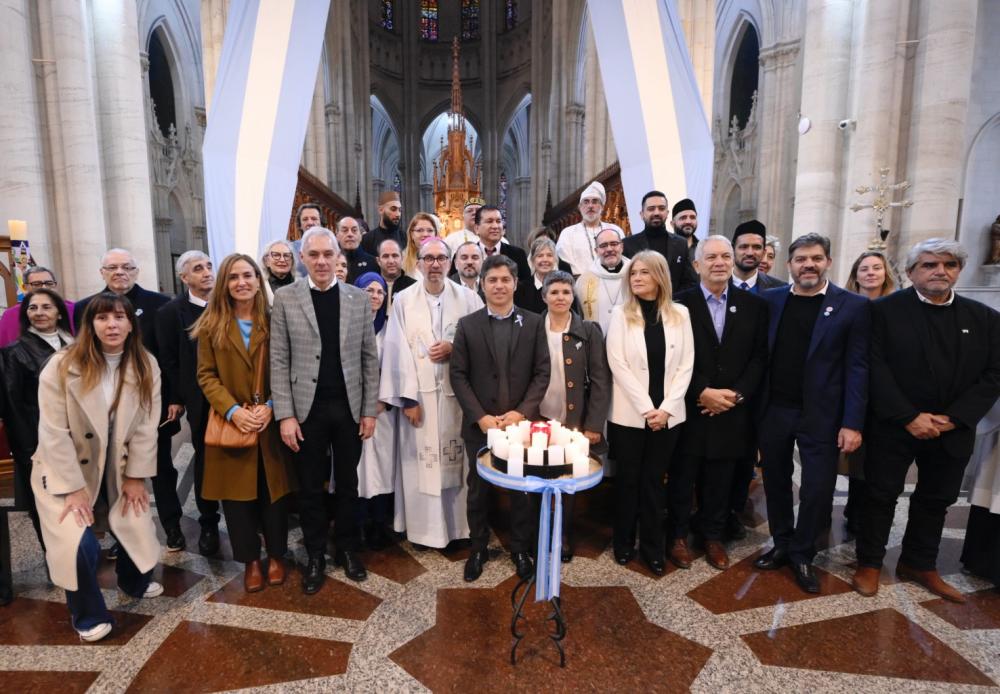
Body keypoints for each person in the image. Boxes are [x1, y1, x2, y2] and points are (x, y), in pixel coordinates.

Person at [852, 239, 1000, 602]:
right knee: (880, 494)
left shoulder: (984, 318)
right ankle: (869, 562)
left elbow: (994, 373)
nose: (940, 271)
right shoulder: (881, 311)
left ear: (959, 270)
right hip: (894, 424)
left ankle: (919, 563)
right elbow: (872, 366)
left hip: (952, 428)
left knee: (937, 498)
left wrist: (956, 418)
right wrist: (908, 416)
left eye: (949, 265)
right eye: (929, 265)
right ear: (910, 271)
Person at [31, 293, 163, 642]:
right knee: (79, 546)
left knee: (136, 524)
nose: (112, 325)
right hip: (63, 469)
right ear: (90, 325)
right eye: (102, 318)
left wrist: (135, 477)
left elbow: (147, 426)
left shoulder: (145, 364)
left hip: (119, 467)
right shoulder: (61, 365)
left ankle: (133, 581)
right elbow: (53, 432)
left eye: (119, 317)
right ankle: (87, 614)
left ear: (131, 324)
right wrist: (73, 488)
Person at [753, 233, 869, 594]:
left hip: (822, 414)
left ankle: (803, 552)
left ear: (828, 262)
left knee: (818, 487)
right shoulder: (770, 300)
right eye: (801, 259)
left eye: (816, 258)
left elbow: (858, 368)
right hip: (775, 409)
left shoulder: (852, 306)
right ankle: (782, 543)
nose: (809, 265)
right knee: (775, 481)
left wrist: (852, 422)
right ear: (789, 264)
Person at [271, 227, 379, 591]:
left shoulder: (357, 298)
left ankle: (346, 548)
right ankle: (315, 555)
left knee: (348, 483)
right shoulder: (285, 298)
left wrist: (369, 410)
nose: (321, 261)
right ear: (302, 258)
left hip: (349, 407)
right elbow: (279, 359)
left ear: (338, 258)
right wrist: (285, 415)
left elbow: (369, 357)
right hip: (307, 409)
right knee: (310, 487)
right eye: (313, 254)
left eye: (327, 254)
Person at [193, 255, 294, 591]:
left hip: (269, 421)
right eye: (234, 277)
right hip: (233, 422)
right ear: (225, 283)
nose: (241, 283)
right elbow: (206, 376)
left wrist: (272, 406)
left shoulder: (275, 320)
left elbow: (289, 366)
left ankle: (277, 555)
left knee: (273, 494)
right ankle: (251, 560)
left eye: (248, 275)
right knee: (237, 500)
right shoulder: (211, 324)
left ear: (258, 280)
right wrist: (233, 411)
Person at [74, 249, 185, 552]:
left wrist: (175, 398)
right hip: (105, 404)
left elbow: (170, 355)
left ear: (136, 271)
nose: (119, 272)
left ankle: (172, 526)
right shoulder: (85, 307)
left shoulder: (160, 304)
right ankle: (121, 536)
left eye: (126, 267)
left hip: (152, 402)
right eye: (112, 267)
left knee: (161, 468)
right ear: (102, 272)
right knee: (112, 472)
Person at [451, 254, 550, 582]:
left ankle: (520, 548)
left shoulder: (534, 323)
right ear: (482, 285)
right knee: (478, 489)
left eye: (505, 279)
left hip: (519, 424)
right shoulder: (468, 325)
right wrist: (479, 417)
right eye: (492, 280)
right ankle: (478, 547)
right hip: (481, 426)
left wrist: (521, 413)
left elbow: (542, 373)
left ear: (516, 283)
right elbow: (458, 375)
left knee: (521, 489)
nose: (499, 285)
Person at [381, 238, 483, 549]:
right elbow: (396, 351)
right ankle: (424, 533)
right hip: (420, 400)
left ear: (450, 263)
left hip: (458, 400)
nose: (435, 264)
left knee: (458, 464)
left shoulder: (469, 299)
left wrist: (454, 347)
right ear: (419, 263)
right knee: (420, 464)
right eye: (429, 258)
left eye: (441, 258)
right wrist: (408, 399)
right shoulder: (403, 300)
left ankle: (459, 529)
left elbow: (482, 344)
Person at [673, 237, 768, 570]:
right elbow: (672, 356)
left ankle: (712, 536)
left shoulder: (755, 306)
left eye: (726, 256)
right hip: (691, 406)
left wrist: (736, 395)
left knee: (721, 477)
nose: (719, 262)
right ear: (697, 265)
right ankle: (677, 535)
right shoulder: (678, 304)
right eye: (711, 257)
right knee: (683, 475)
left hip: (731, 408)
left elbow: (759, 358)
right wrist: (701, 391)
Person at [606, 251, 694, 575]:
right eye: (633, 273)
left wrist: (667, 409)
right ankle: (623, 543)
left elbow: (686, 365)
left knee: (655, 482)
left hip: (668, 416)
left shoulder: (680, 314)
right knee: (628, 481)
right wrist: (647, 409)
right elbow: (617, 364)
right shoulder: (620, 314)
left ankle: (653, 548)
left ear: (660, 276)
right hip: (629, 414)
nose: (637, 278)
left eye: (644, 272)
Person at [539, 271, 611, 562]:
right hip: (540, 414)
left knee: (567, 478)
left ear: (573, 296)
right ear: (544, 296)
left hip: (574, 418)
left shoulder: (588, 330)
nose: (560, 297)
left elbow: (600, 379)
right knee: (539, 475)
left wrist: (593, 424)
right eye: (554, 292)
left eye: (566, 292)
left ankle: (562, 533)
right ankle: (539, 530)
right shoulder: (533, 327)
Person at [156, 251, 220, 555]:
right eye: (198, 269)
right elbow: (169, 359)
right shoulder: (170, 312)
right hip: (199, 398)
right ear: (184, 278)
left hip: (234, 394)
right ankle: (209, 522)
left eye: (208, 266)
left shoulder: (225, 303)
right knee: (205, 459)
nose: (206, 272)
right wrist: (179, 397)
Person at [1, 289, 74, 552]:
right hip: (39, 439)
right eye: (33, 308)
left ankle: (80, 551)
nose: (39, 313)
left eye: (46, 307)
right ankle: (55, 555)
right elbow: (13, 406)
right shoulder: (14, 352)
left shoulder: (76, 345)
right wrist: (27, 449)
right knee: (47, 503)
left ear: (59, 313)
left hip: (77, 436)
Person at [839, 250, 898, 532]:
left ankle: (867, 512)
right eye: (864, 269)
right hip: (851, 391)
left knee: (877, 457)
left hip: (885, 394)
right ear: (856, 275)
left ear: (886, 274)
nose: (871, 273)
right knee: (853, 456)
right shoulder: (846, 306)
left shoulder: (896, 308)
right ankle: (853, 509)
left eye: (876, 268)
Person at [353, 271, 396, 549]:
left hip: (382, 412)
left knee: (382, 468)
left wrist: (382, 402)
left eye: (380, 291)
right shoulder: (347, 325)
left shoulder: (390, 329)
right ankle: (358, 523)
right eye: (369, 290)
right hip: (354, 411)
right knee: (358, 471)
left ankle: (380, 524)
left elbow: (396, 367)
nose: (375, 296)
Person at [622, 191, 697, 293]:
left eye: (661, 208)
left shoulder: (681, 243)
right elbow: (624, 282)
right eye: (651, 209)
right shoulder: (628, 244)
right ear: (642, 214)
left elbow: (690, 281)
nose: (656, 213)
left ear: (667, 213)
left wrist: (672, 300)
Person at [555, 181, 625, 276]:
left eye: (595, 201)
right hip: (579, 282)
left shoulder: (615, 230)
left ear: (602, 207)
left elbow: (623, 257)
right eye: (586, 202)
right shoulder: (568, 233)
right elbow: (564, 262)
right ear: (580, 207)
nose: (590, 206)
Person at [0, 266, 76, 347]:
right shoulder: (11, 315)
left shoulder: (72, 309)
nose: (44, 288)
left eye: (49, 283)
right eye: (36, 284)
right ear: (25, 288)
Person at [575, 228, 631, 335]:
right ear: (596, 251)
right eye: (603, 245)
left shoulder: (635, 274)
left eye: (614, 244)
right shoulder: (583, 281)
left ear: (622, 247)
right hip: (597, 341)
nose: (609, 249)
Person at [515, 237, 580, 315]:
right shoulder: (521, 289)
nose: (545, 259)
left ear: (555, 259)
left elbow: (574, 315)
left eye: (549, 255)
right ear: (532, 260)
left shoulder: (566, 287)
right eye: (540, 255)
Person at [473, 205, 532, 282]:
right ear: (477, 228)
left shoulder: (518, 254)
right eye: (489, 221)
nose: (495, 226)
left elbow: (527, 285)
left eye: (498, 221)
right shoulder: (466, 255)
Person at [731, 221, 785, 294]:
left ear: (763, 252)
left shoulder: (780, 289)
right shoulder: (717, 282)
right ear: (732, 250)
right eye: (744, 247)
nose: (750, 253)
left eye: (756, 247)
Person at [376, 238, 416, 312]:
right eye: (385, 256)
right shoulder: (371, 286)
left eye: (395, 256)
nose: (391, 261)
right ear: (378, 261)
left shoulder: (414, 286)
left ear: (402, 258)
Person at [334, 217, 377, 284]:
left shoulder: (373, 263)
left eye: (354, 230)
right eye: (345, 230)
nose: (350, 234)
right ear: (337, 235)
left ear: (360, 236)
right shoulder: (330, 262)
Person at [361, 191, 405, 255]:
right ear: (380, 210)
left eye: (400, 210)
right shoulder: (367, 239)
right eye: (393, 209)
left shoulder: (405, 238)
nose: (398, 214)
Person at [401, 213, 440, 279]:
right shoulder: (401, 260)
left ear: (435, 234)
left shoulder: (442, 259)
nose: (425, 234)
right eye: (419, 230)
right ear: (411, 234)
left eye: (430, 230)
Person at [261, 239, 296, 304]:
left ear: (292, 261)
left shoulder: (302, 286)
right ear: (266, 261)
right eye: (276, 255)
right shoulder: (260, 286)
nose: (282, 260)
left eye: (286, 255)